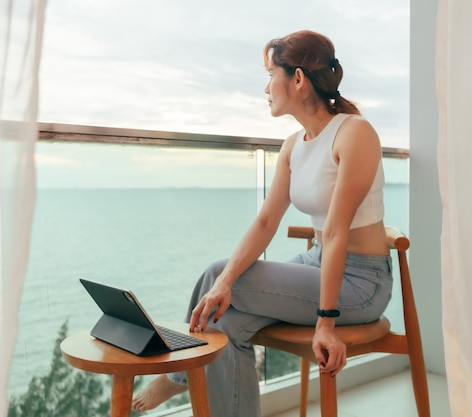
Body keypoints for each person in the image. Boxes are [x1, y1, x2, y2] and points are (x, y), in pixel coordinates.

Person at [131, 30, 393, 417]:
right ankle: (190, 375)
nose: (266, 87)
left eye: (271, 74)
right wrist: (224, 285)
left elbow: (338, 230)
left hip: (361, 284)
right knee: (226, 321)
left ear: (298, 79)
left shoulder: (355, 133)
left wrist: (326, 323)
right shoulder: (294, 144)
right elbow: (267, 220)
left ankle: (179, 372)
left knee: (218, 273)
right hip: (319, 263)